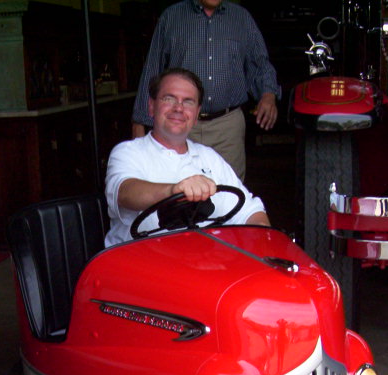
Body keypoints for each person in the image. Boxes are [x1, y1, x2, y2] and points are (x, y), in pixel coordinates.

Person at [105, 68, 270, 248]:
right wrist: (174, 190)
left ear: (197, 113)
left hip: (202, 263)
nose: (178, 108)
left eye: (188, 102)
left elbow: (250, 211)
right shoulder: (128, 152)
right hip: (139, 263)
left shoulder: (209, 157)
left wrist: (263, 241)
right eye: (169, 98)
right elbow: (125, 192)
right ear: (151, 106)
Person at [130, 0, 280, 181]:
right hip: (180, 122)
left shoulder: (241, 19)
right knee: (178, 190)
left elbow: (260, 64)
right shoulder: (171, 17)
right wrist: (139, 123)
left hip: (227, 127)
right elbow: (152, 70)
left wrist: (268, 94)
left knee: (229, 192)